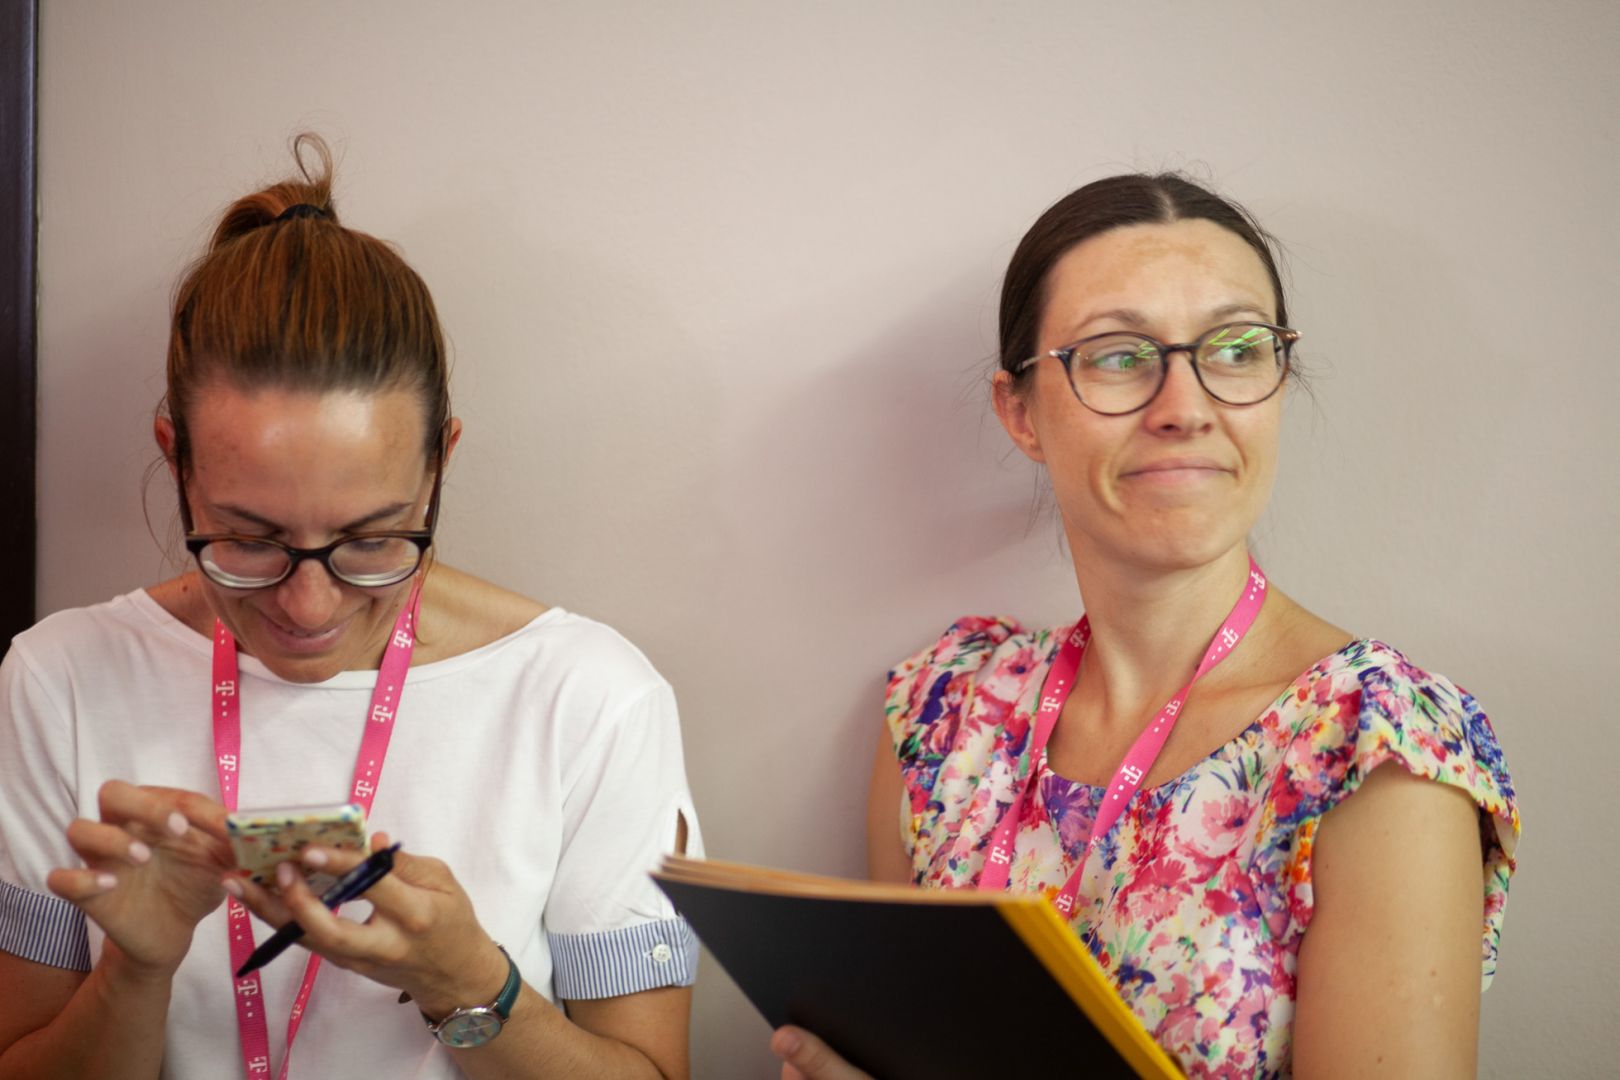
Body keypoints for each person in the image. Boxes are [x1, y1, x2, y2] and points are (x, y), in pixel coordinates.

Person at [770, 174, 1519, 1078]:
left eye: (1236, 348)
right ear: (1021, 413)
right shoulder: (946, 713)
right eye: (1119, 356)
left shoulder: (1374, 749)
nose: (1185, 408)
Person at [0, 136, 700, 1080]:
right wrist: (136, 969)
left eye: (371, 540)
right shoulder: (60, 681)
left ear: (440, 462)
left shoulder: (589, 700)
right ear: (176, 458)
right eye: (249, 539)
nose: (309, 604)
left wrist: (469, 984)